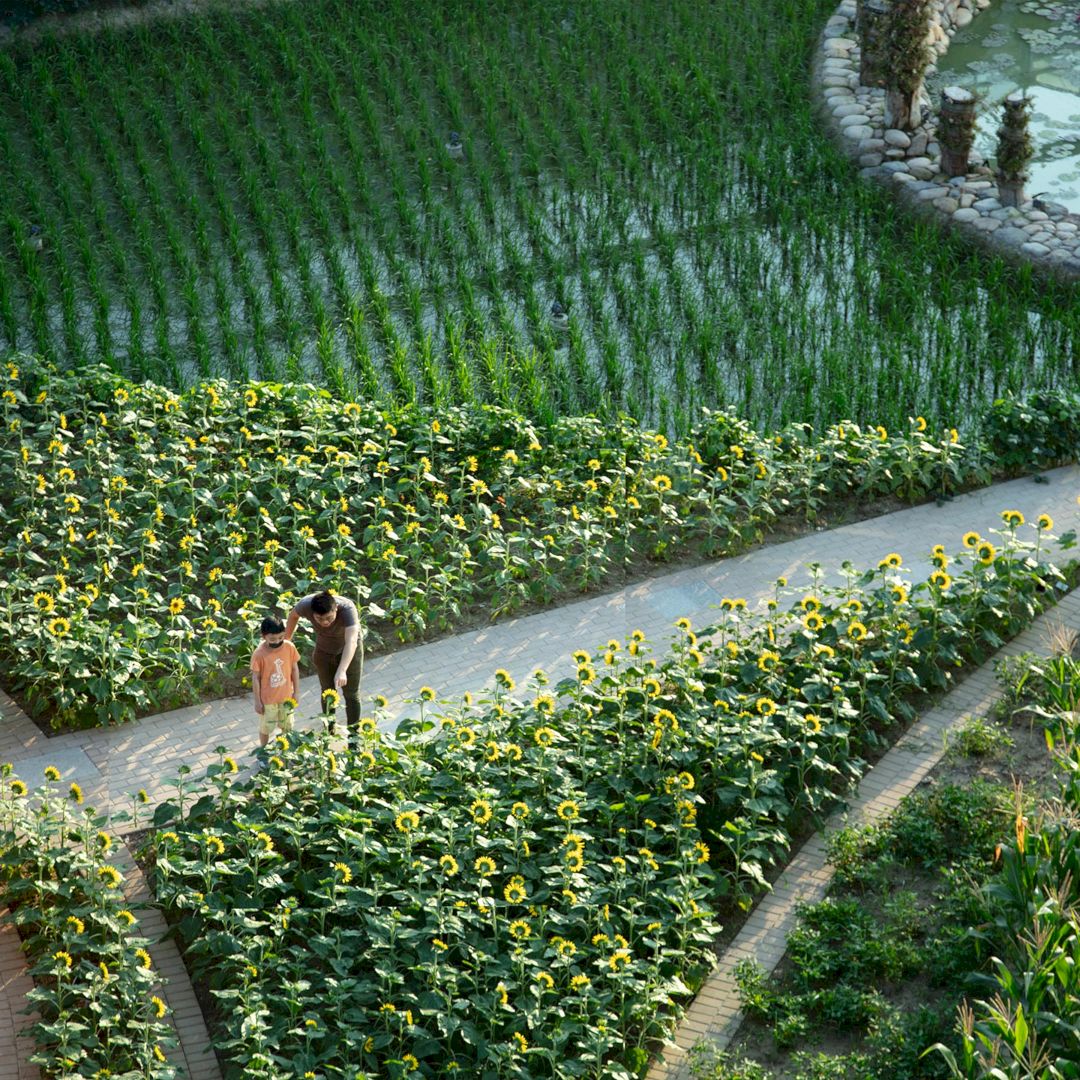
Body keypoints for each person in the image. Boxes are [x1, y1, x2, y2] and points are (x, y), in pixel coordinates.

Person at [284, 589, 363, 745]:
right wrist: (286, 642)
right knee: (327, 691)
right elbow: (293, 616)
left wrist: (342, 670)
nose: (325, 622)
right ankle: (329, 731)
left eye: (329, 618)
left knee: (351, 694)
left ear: (336, 610)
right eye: (319, 619)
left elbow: (352, 641)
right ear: (312, 613)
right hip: (324, 650)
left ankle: (354, 740)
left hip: (348, 651)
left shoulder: (347, 609)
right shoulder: (305, 605)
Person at [250, 615, 300, 747]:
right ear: (263, 636)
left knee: (287, 726)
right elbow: (255, 678)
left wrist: (296, 693)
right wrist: (257, 701)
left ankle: (286, 750)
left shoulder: (289, 647)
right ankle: (264, 751)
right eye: (272, 639)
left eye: (281, 637)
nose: (277, 641)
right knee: (266, 728)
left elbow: (294, 669)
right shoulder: (259, 654)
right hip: (267, 700)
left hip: (286, 698)